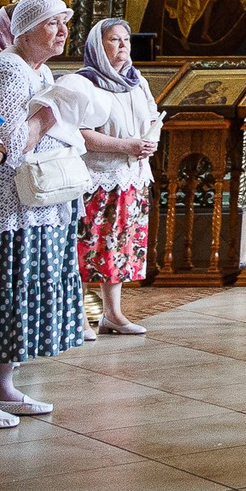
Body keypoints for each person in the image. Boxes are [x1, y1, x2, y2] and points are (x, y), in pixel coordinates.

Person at [0, 0, 84, 427]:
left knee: (19, 298)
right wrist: (49, 115)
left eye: (65, 23)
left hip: (37, 205)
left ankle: (2, 386)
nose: (62, 31)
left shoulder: (40, 70)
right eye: (52, 24)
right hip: (7, 210)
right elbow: (8, 147)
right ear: (24, 30)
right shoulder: (7, 69)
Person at [50, 20, 162, 336]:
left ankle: (113, 314)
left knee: (120, 246)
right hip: (98, 176)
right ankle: (79, 316)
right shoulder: (84, 82)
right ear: (98, 46)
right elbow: (79, 133)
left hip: (132, 176)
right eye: (114, 39)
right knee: (89, 246)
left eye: (126, 39)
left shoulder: (137, 82)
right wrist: (125, 145)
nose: (123, 44)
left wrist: (150, 138)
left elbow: (152, 116)